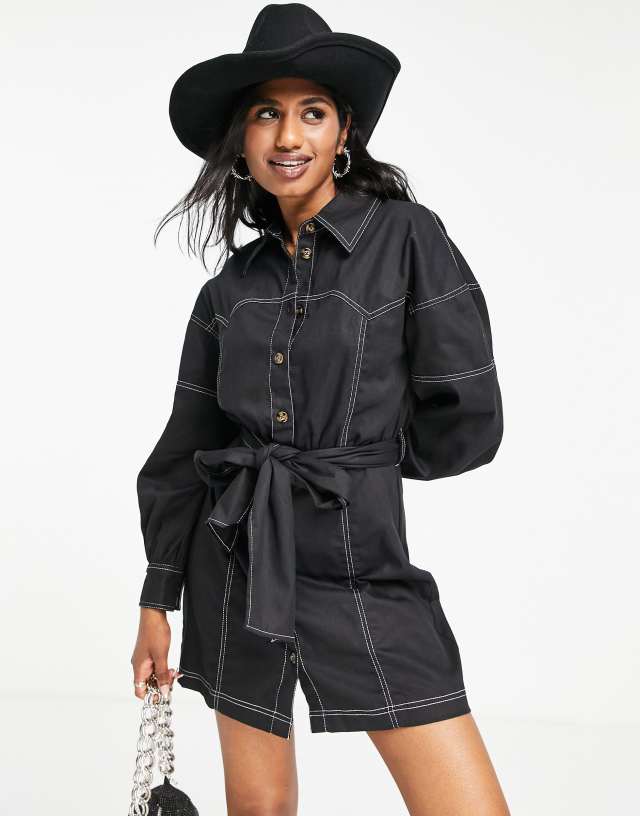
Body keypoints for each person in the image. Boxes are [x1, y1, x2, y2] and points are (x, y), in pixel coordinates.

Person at [130, 4, 509, 813]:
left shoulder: (407, 239)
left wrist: (360, 465)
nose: (288, 135)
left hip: (361, 564)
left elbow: (469, 409)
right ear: (241, 142)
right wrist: (157, 601)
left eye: (312, 112)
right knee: (259, 809)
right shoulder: (228, 292)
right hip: (236, 568)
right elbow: (183, 452)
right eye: (266, 114)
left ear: (344, 134)